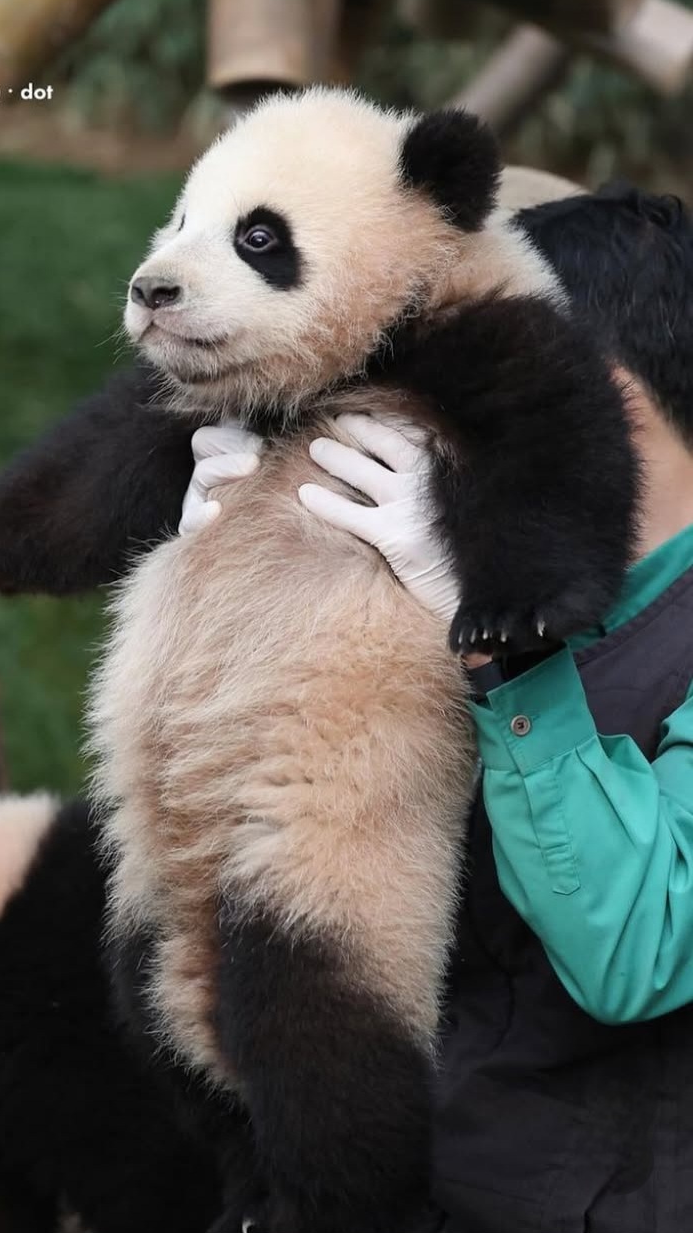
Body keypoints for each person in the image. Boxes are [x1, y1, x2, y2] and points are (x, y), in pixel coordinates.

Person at [182, 182, 693, 1232]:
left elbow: (635, 946)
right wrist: (221, 597)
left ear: (606, 402)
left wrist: (501, 644)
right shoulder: (435, 555)